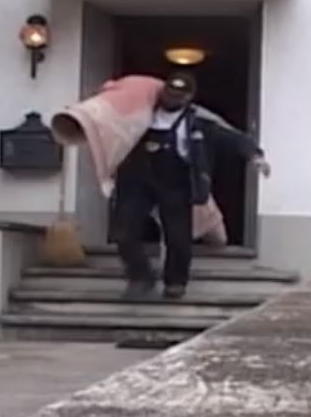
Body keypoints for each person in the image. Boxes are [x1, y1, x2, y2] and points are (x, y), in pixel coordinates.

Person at [114, 72, 269, 300]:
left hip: (176, 180)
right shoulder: (140, 112)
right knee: (124, 230)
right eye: (169, 93)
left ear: (188, 98)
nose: (171, 99)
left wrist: (255, 156)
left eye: (178, 96)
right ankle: (140, 277)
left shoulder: (199, 120)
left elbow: (232, 137)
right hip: (138, 179)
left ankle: (175, 282)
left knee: (178, 236)